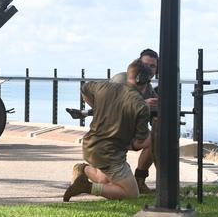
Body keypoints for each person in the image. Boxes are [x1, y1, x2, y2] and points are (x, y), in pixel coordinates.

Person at [63, 59, 152, 201]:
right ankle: (87, 187)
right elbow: (140, 142)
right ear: (142, 81)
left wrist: (97, 107)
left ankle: (82, 169)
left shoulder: (104, 87)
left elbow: (84, 88)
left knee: (103, 179)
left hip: (90, 147)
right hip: (111, 154)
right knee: (131, 194)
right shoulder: (141, 106)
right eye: (148, 81)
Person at [109, 48, 159, 194]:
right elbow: (109, 106)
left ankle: (140, 180)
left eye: (152, 66)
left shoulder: (148, 88)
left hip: (131, 135)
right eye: (145, 65)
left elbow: (155, 110)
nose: (148, 69)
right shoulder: (119, 80)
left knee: (155, 140)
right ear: (138, 64)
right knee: (106, 181)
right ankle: (84, 170)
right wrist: (143, 104)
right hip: (111, 134)